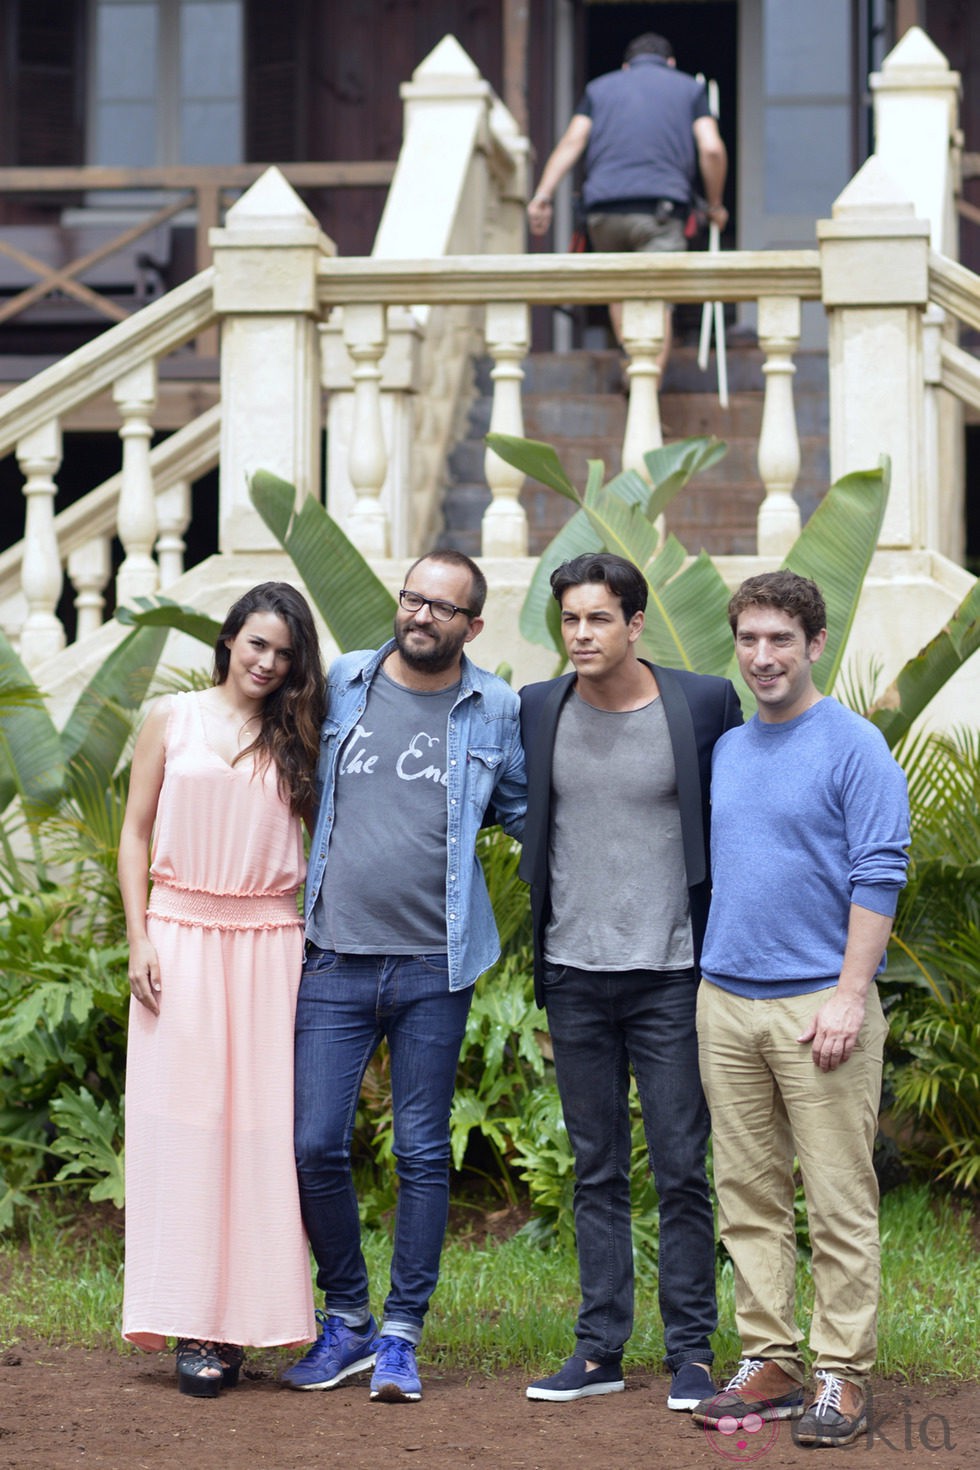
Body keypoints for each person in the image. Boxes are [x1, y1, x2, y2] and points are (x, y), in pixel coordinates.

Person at [282, 550, 526, 1403]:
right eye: (413, 598)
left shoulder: (494, 707)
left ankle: (399, 1335)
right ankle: (345, 1315)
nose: (422, 616)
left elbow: (530, 815)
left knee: (422, 1152)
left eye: (443, 608)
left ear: (473, 625)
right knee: (313, 1143)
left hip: (435, 964)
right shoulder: (343, 681)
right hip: (335, 958)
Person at [691, 571, 910, 1448]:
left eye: (781, 638)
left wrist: (851, 996)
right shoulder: (730, 750)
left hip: (823, 1004)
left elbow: (880, 872)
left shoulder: (854, 746)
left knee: (838, 1198)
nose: (763, 656)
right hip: (727, 1001)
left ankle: (844, 1374)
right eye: (749, 639)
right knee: (746, 1193)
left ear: (815, 644)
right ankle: (772, 1358)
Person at [518, 553, 742, 1409]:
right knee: (595, 1167)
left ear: (635, 622)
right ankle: (599, 1348)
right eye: (570, 620)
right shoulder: (541, 710)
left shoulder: (703, 705)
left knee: (683, 1165)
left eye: (598, 619)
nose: (581, 635)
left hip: (672, 975)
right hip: (575, 972)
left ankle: (691, 1352)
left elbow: (737, 814)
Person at [120, 582, 325, 1396]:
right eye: (256, 645)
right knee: (183, 1129)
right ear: (229, 639)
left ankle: (247, 1323)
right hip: (179, 937)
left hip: (273, 943)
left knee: (263, 1136)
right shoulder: (172, 718)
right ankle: (192, 1323)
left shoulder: (300, 736)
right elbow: (136, 832)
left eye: (284, 653)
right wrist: (138, 935)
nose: (268, 663)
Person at [526, 32, 728, 370]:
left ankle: (631, 364)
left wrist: (542, 196)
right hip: (660, 213)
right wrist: (715, 204)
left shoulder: (598, 89)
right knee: (655, 300)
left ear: (625, 66)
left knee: (619, 292)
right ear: (671, 63)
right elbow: (711, 148)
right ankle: (644, 388)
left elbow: (573, 141)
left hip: (604, 212)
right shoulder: (691, 89)